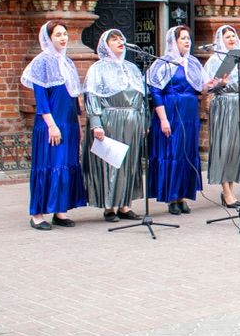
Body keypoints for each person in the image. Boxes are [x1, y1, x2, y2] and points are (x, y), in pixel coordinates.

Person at [21, 21, 88, 230]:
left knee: (66, 164)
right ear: (48, 38)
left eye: (65, 34)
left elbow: (73, 98)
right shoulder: (41, 62)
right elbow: (41, 98)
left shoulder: (67, 62)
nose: (63, 38)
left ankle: (60, 211)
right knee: (48, 165)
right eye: (58, 34)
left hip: (68, 123)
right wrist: (51, 125)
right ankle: (38, 214)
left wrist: (78, 125)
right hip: (51, 123)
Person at [147, 25, 217, 215]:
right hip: (170, 111)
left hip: (189, 113)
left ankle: (183, 195)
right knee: (172, 152)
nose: (187, 41)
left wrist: (208, 86)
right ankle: (171, 195)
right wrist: (163, 119)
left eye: (188, 38)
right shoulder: (163, 63)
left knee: (186, 152)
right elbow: (155, 91)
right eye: (183, 38)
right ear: (173, 42)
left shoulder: (193, 62)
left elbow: (199, 88)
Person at [82, 29, 146, 222]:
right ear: (105, 44)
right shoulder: (98, 68)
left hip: (133, 119)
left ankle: (125, 205)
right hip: (110, 119)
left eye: (121, 38)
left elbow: (142, 98)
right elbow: (91, 96)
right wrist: (96, 123)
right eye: (114, 38)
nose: (120, 41)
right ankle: (110, 206)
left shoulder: (132, 68)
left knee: (130, 162)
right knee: (112, 162)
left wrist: (144, 121)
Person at [205, 24, 240, 209]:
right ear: (221, 40)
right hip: (224, 104)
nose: (231, 39)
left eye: (233, 36)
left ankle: (231, 188)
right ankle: (225, 190)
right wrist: (221, 83)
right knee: (225, 147)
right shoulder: (214, 61)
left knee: (237, 148)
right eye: (227, 37)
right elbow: (208, 88)